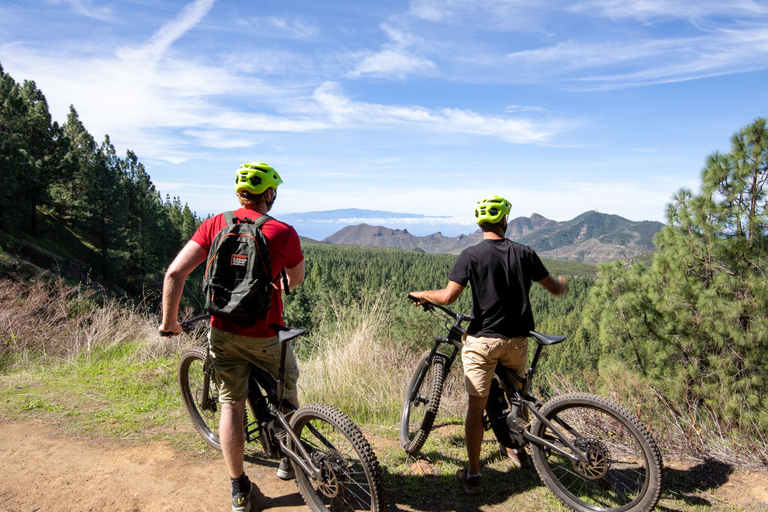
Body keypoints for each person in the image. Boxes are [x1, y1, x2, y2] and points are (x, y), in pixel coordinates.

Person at [158, 162, 305, 512]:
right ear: (270, 194)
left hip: (223, 330)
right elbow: (295, 279)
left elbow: (175, 272)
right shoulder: (283, 232)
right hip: (267, 334)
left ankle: (239, 489)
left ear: (240, 194)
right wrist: (278, 282)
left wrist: (169, 322)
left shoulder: (214, 225)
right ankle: (290, 460)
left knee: (231, 405)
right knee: (286, 389)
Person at [409, 195, 568, 496]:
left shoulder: (470, 254)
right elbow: (554, 288)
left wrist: (423, 294)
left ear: (480, 223)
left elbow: (448, 297)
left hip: (483, 342)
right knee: (517, 398)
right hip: (517, 342)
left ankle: (473, 475)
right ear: (504, 221)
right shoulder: (525, 252)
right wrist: (563, 285)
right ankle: (520, 451)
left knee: (476, 406)